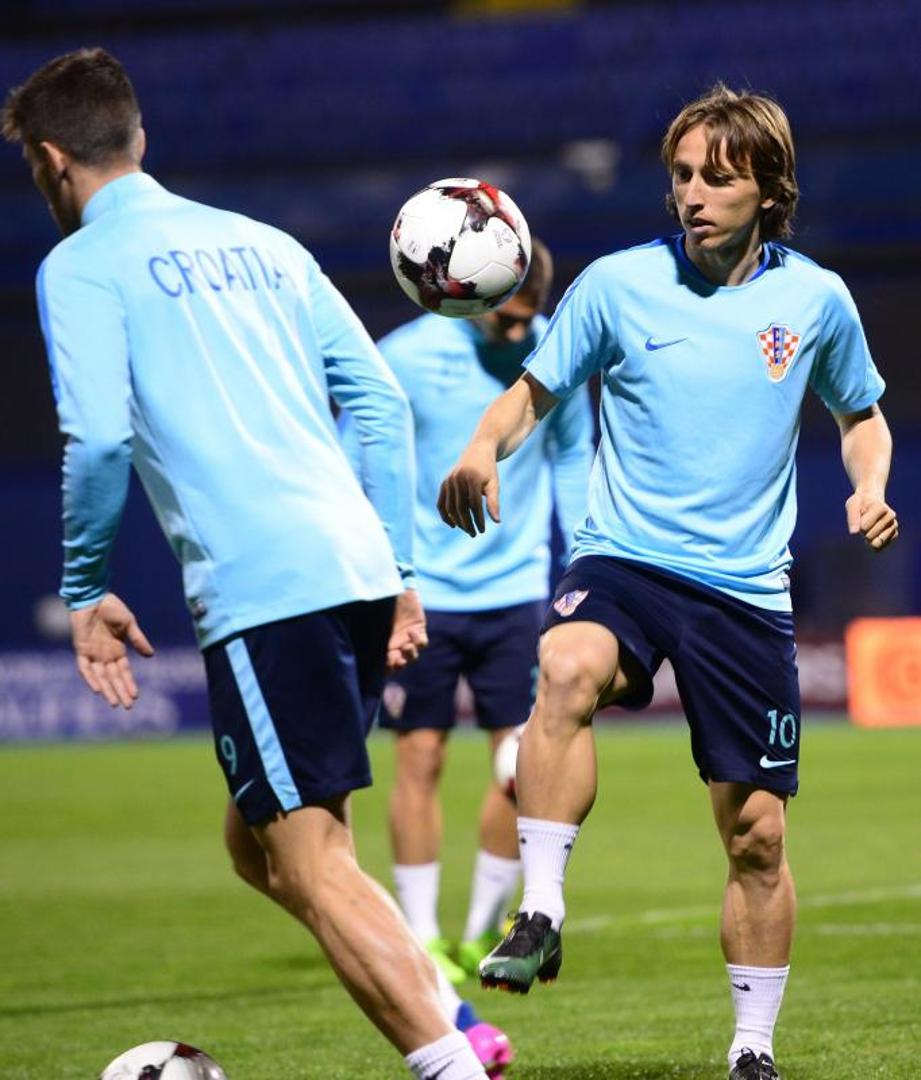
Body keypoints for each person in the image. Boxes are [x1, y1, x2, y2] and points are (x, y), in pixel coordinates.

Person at [3, 47, 506, 1080]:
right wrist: (397, 569)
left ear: (50, 160)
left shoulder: (81, 266)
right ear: (138, 137)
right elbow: (379, 403)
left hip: (268, 590)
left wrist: (86, 585)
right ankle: (452, 1014)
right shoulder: (265, 243)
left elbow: (96, 441)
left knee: (311, 862)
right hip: (352, 571)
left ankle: (452, 1062)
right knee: (261, 846)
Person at [437, 84, 898, 1080]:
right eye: (681, 175)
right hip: (627, 559)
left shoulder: (815, 300)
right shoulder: (616, 286)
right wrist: (481, 448)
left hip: (743, 590)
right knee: (566, 666)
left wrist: (868, 487)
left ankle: (751, 1047)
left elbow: (860, 414)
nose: (692, 194)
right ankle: (540, 911)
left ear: (767, 189)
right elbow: (529, 395)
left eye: (716, 178)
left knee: (757, 838)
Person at [340, 242, 593, 985]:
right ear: (477, 294)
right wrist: (379, 570)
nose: (517, 333)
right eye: (505, 318)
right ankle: (422, 938)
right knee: (419, 758)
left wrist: (583, 560)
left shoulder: (554, 352)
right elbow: (356, 454)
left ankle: (483, 928)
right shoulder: (405, 355)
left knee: (522, 767)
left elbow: (572, 456)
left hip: (516, 591)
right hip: (422, 594)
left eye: (528, 319)